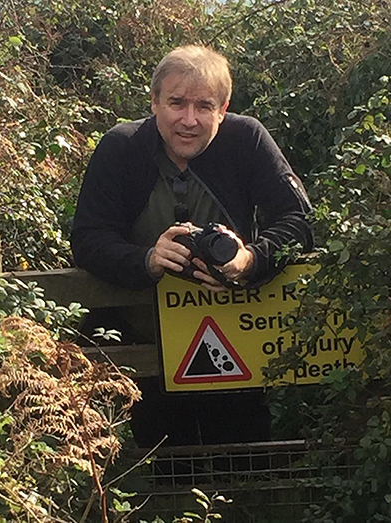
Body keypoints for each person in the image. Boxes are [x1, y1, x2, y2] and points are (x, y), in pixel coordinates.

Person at [72, 45, 313, 447]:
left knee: (246, 465)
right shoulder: (122, 147)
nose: (189, 120)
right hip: (146, 343)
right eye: (176, 103)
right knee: (166, 468)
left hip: (238, 336)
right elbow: (88, 238)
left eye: (204, 106)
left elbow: (299, 221)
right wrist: (147, 259)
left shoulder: (246, 139)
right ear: (154, 102)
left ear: (223, 108)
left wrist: (250, 260)